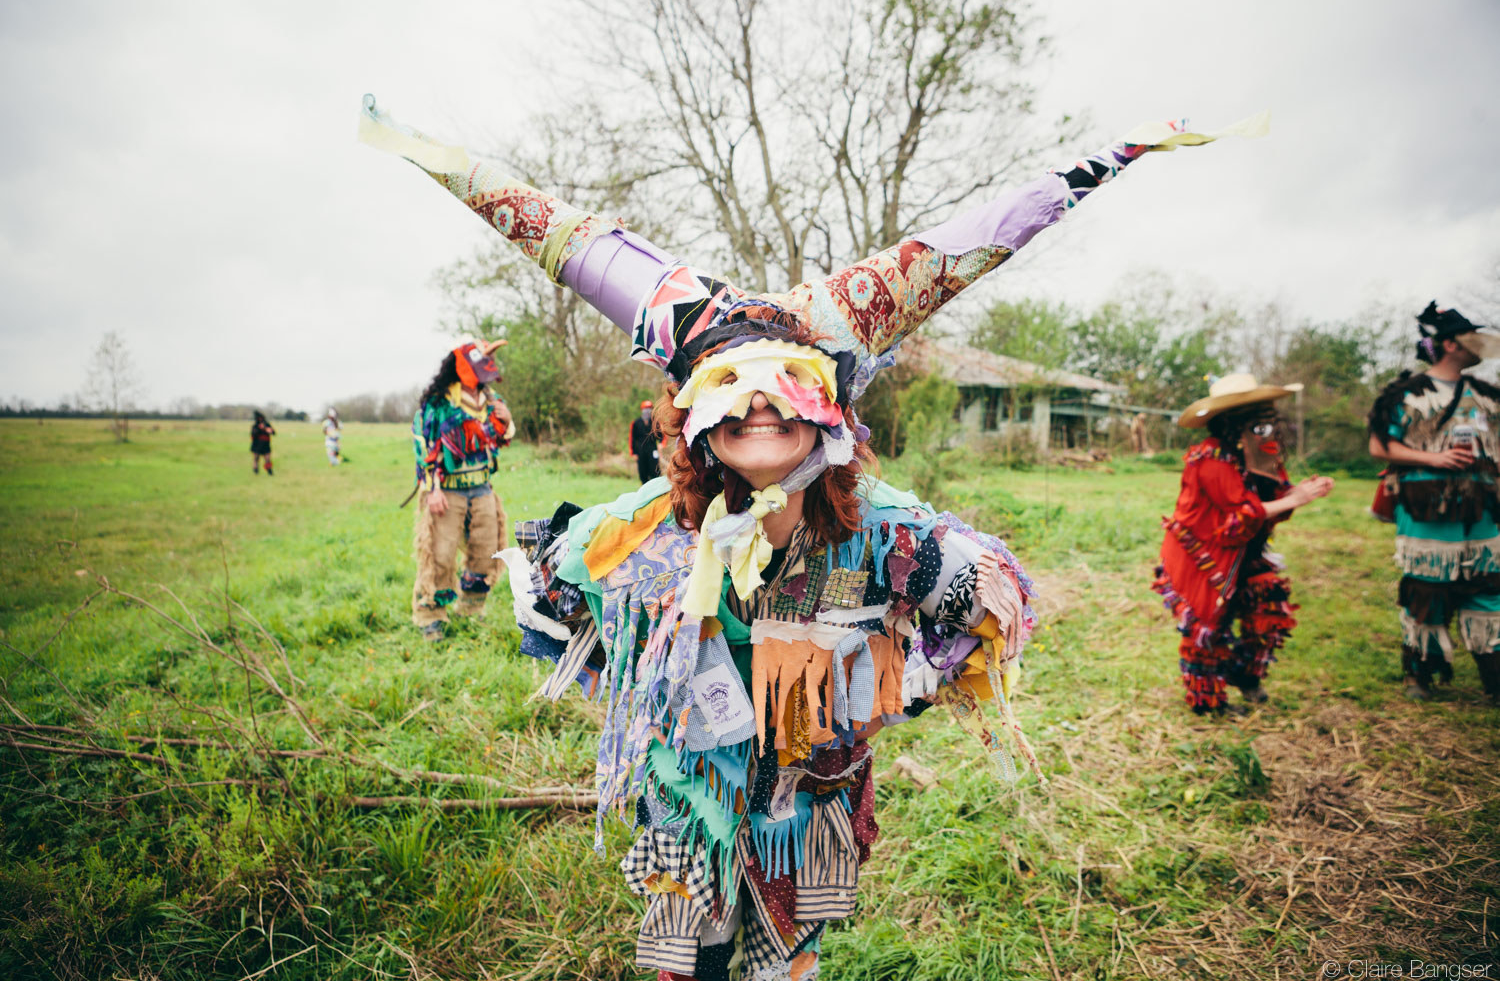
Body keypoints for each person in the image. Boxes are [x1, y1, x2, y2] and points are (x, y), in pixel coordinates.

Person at [362, 95, 1262, 978]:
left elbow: (993, 599)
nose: (758, 402)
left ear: (829, 409)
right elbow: (562, 595)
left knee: (787, 962)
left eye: (785, 382)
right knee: (688, 961)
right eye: (729, 384)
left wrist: (910, 643)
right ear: (693, 418)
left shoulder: (884, 527)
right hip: (688, 811)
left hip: (809, 814)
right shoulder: (636, 530)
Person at [1152, 375, 1334, 714]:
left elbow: (1267, 502)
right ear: (1236, 422)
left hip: (1242, 550)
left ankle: (1244, 674)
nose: (1270, 428)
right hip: (1204, 556)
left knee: (1268, 603)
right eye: (1260, 421)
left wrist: (1298, 493)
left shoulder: (1256, 454)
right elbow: (1238, 516)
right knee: (1208, 626)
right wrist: (1295, 499)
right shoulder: (1210, 459)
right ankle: (1206, 702)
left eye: (1271, 420)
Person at [1368, 302, 1500, 704]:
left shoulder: (1487, 397)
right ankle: (1419, 673)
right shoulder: (1405, 395)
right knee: (1428, 587)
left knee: (1490, 589)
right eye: (1468, 338)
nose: (1478, 345)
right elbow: (1379, 445)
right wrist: (1434, 458)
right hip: (1427, 510)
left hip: (1482, 512)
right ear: (1448, 344)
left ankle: (1494, 675)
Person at [410, 340, 517, 641]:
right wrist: (432, 488)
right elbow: (424, 444)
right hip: (448, 492)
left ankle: (471, 611)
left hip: (482, 487)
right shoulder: (439, 403)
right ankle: (430, 616)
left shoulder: (491, 399)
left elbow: (503, 434)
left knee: (486, 552)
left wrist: (506, 421)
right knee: (440, 555)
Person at [630, 399, 660, 483]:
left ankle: (655, 488)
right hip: (640, 450)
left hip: (652, 449)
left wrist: (661, 444)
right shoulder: (636, 423)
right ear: (642, 410)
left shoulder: (655, 422)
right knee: (643, 471)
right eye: (645, 408)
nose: (647, 411)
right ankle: (644, 488)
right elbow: (632, 438)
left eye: (649, 408)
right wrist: (633, 453)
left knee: (655, 470)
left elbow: (661, 435)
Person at [249, 411, 275, 476]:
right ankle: (256, 471)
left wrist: (268, 430)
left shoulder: (267, 425)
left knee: (267, 459)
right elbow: (253, 434)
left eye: (261, 418)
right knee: (256, 459)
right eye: (259, 418)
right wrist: (260, 429)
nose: (260, 419)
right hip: (257, 445)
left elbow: (273, 432)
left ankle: (269, 471)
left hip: (266, 445)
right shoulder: (255, 426)